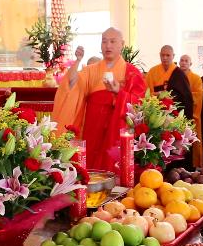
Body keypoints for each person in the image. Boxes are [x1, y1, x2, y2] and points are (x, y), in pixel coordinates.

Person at [52, 27, 147, 171]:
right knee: (91, 168)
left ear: (122, 44)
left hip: (116, 129)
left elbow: (140, 103)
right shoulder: (92, 70)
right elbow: (72, 85)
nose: (108, 45)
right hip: (93, 127)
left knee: (113, 166)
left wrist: (119, 93)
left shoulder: (132, 72)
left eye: (112, 41)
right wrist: (77, 61)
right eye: (104, 42)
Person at [145, 45, 193, 119]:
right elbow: (146, 93)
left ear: (173, 56)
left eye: (168, 55)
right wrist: (156, 95)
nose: (165, 58)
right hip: (155, 111)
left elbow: (186, 98)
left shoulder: (179, 73)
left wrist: (169, 98)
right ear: (159, 55)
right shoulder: (152, 71)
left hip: (174, 112)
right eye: (163, 55)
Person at [179, 54, 203, 168]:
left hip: (192, 115)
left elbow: (198, 96)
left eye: (186, 61)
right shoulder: (175, 76)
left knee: (192, 141)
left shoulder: (196, 78)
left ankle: (193, 166)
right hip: (177, 115)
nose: (183, 63)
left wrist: (183, 95)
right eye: (182, 60)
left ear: (190, 64)